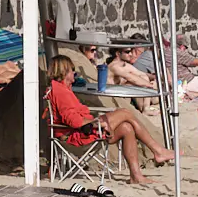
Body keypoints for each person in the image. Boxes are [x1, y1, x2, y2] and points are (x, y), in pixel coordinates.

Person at [47, 55, 173, 185]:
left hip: (84, 130)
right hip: (77, 135)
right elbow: (74, 121)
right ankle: (158, 151)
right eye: (71, 69)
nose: (74, 73)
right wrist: (99, 123)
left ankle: (136, 176)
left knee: (126, 128)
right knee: (125, 112)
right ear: (64, 71)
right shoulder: (61, 92)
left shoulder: (63, 89)